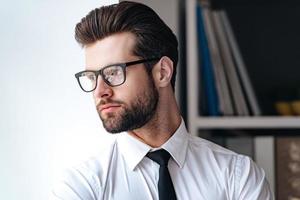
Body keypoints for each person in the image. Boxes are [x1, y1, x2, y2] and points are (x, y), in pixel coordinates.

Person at [51, 1, 273, 199]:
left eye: (113, 72)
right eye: (92, 77)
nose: (100, 91)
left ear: (163, 72)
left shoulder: (238, 177)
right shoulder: (81, 187)